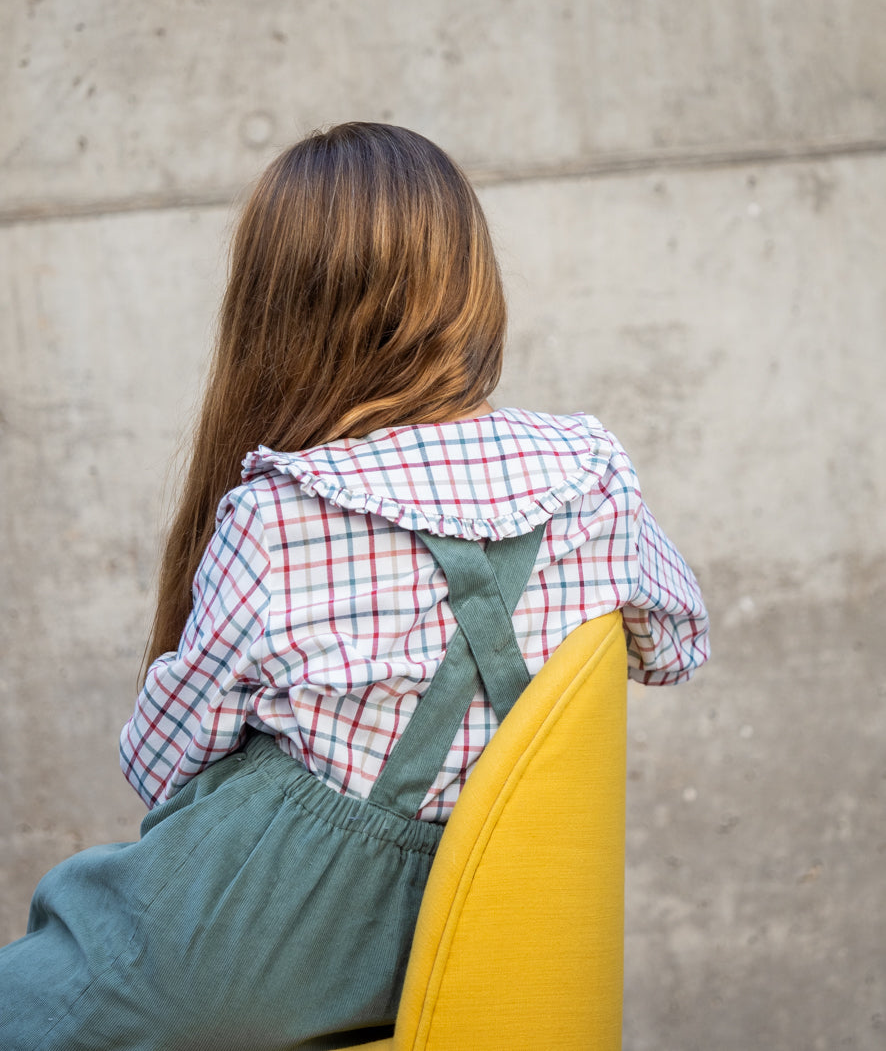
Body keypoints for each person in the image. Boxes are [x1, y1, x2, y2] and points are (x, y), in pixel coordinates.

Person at [0, 122, 709, 1049]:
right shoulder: (591, 475)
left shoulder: (279, 511)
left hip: (249, 956)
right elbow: (672, 644)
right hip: (473, 938)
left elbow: (164, 764)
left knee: (29, 1001)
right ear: (472, 287)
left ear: (278, 316)